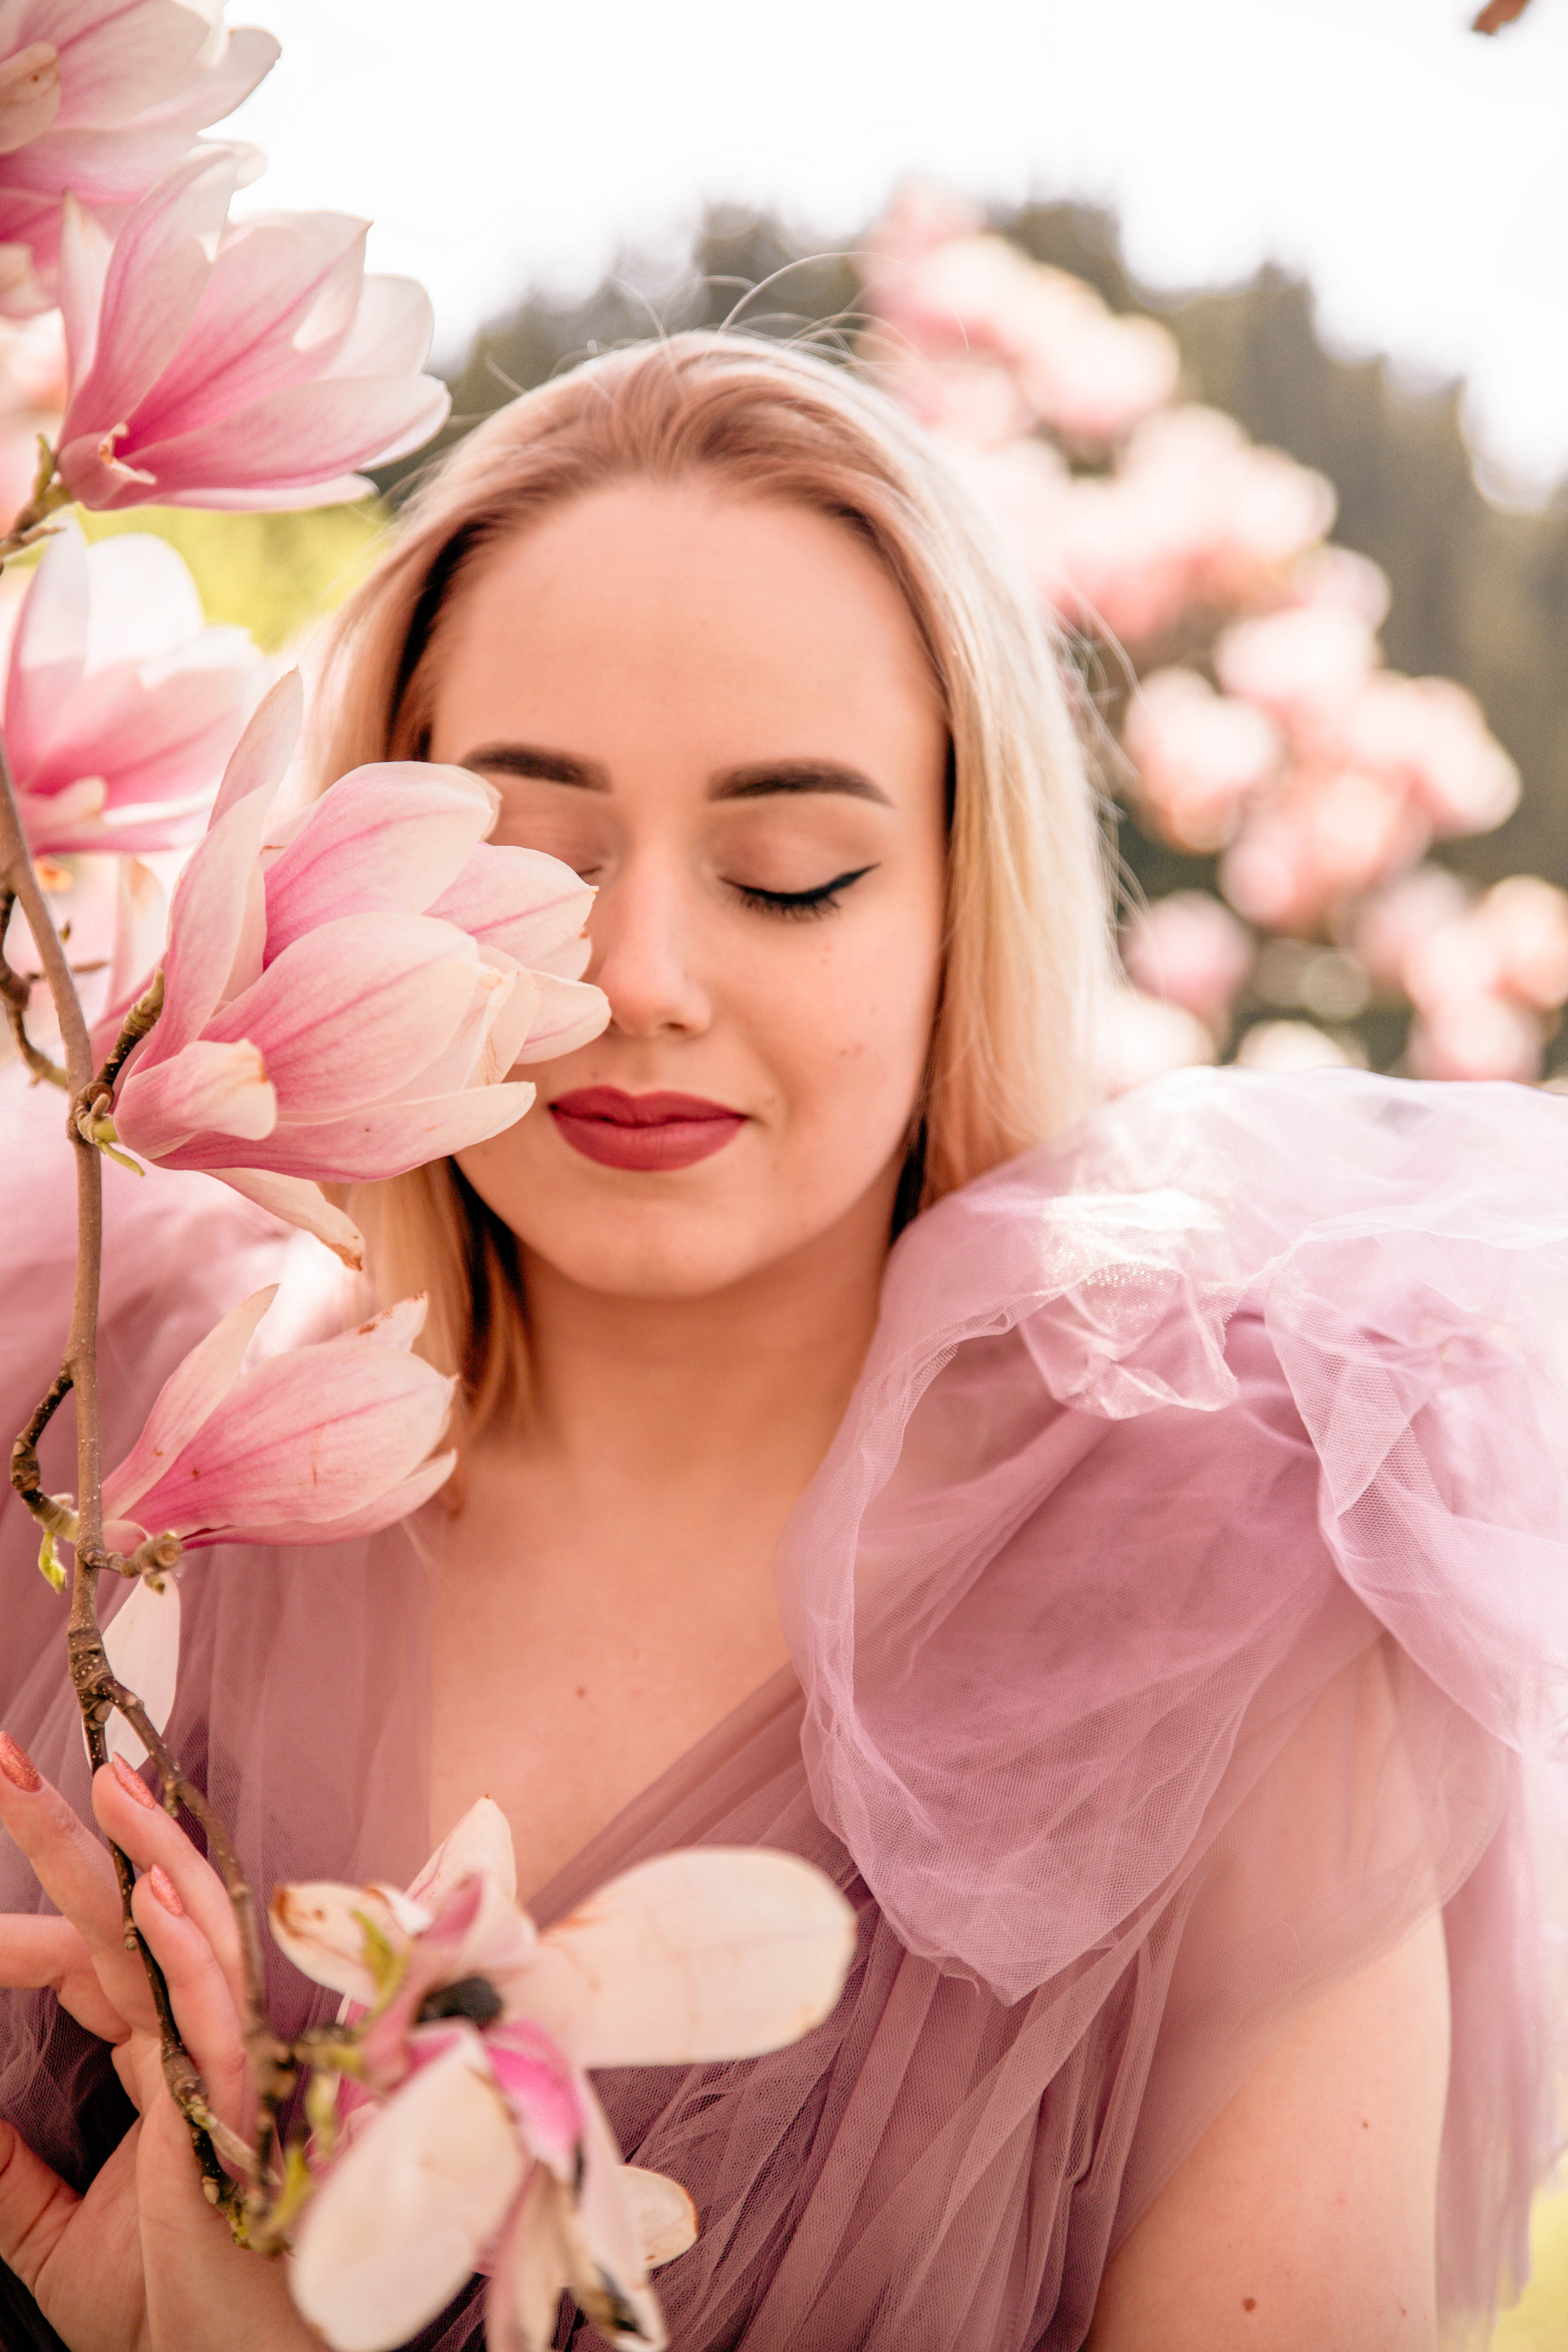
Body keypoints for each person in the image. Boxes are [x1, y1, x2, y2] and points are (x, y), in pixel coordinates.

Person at [0, 331, 1566, 2352]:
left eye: (790, 874)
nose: (641, 975)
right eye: (531, 859)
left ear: (951, 905)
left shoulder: (1247, 1641)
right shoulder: (81, 1421)